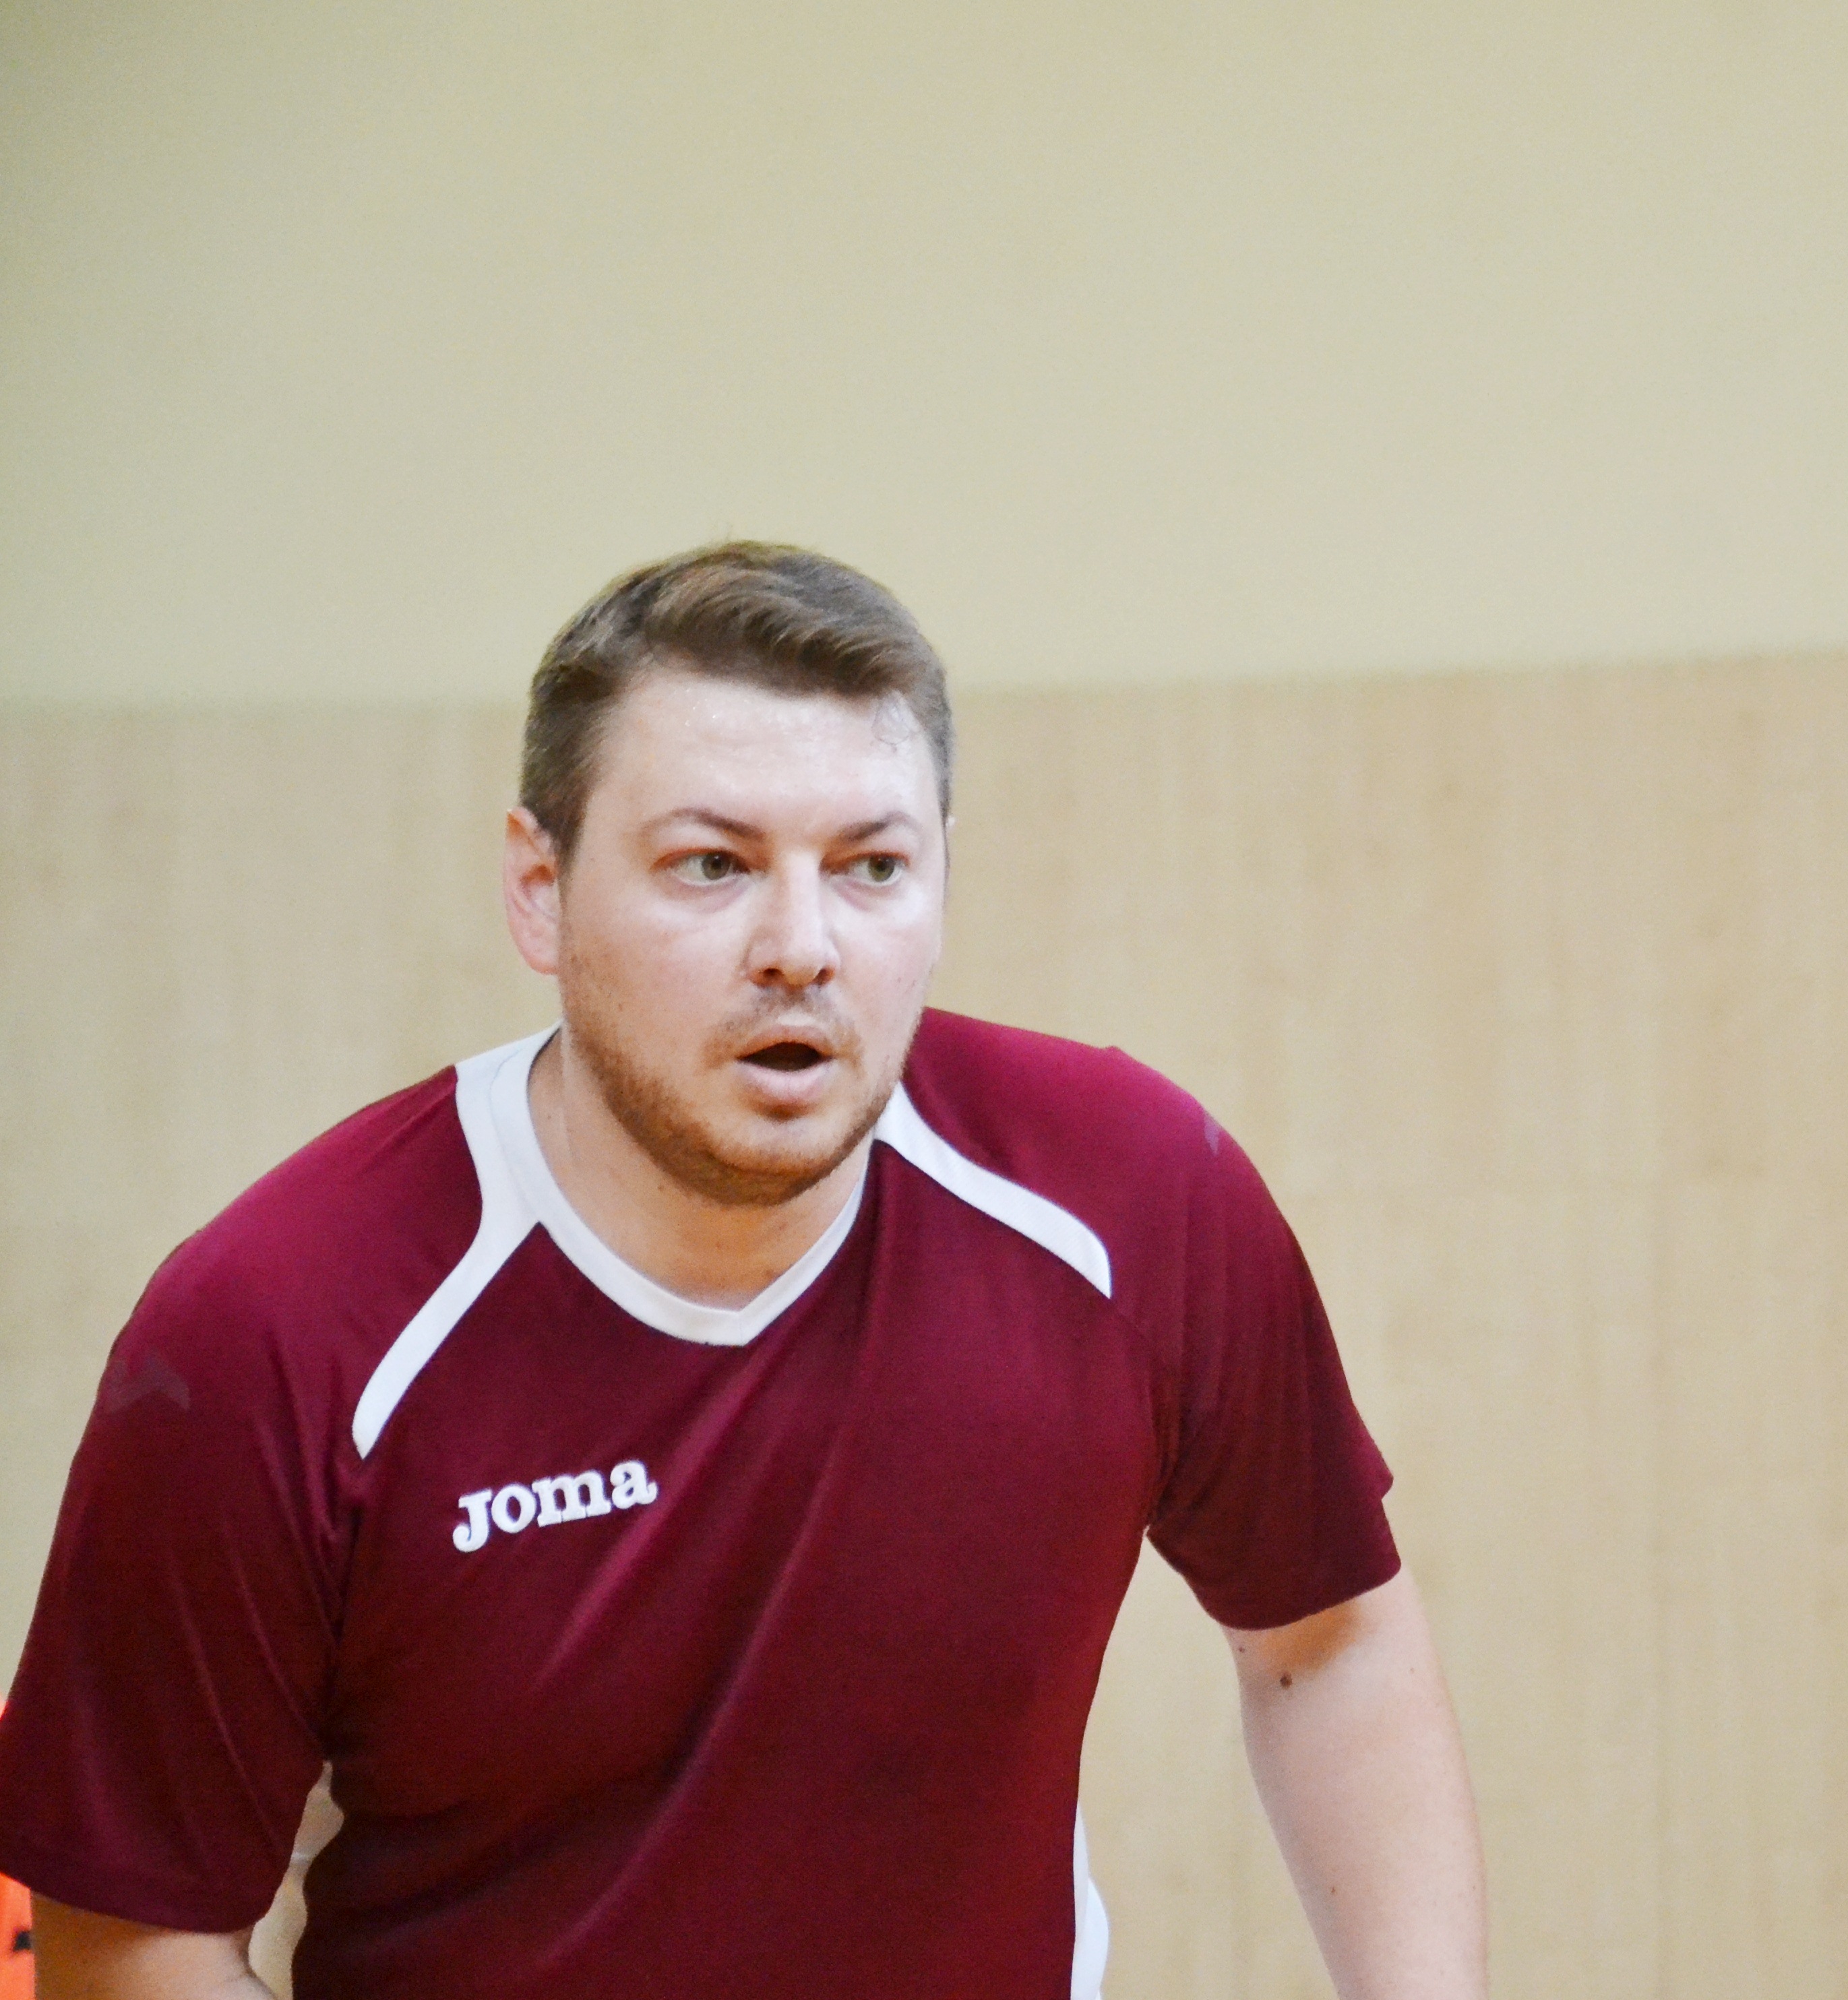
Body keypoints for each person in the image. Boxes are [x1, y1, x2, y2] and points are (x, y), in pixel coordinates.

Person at [0, 545, 1486, 1999]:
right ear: (539, 887)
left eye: (871, 869)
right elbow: (129, 1939)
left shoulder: (1131, 1199)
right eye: (711, 866)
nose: (801, 947)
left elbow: (1328, 1638)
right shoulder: (273, 1328)